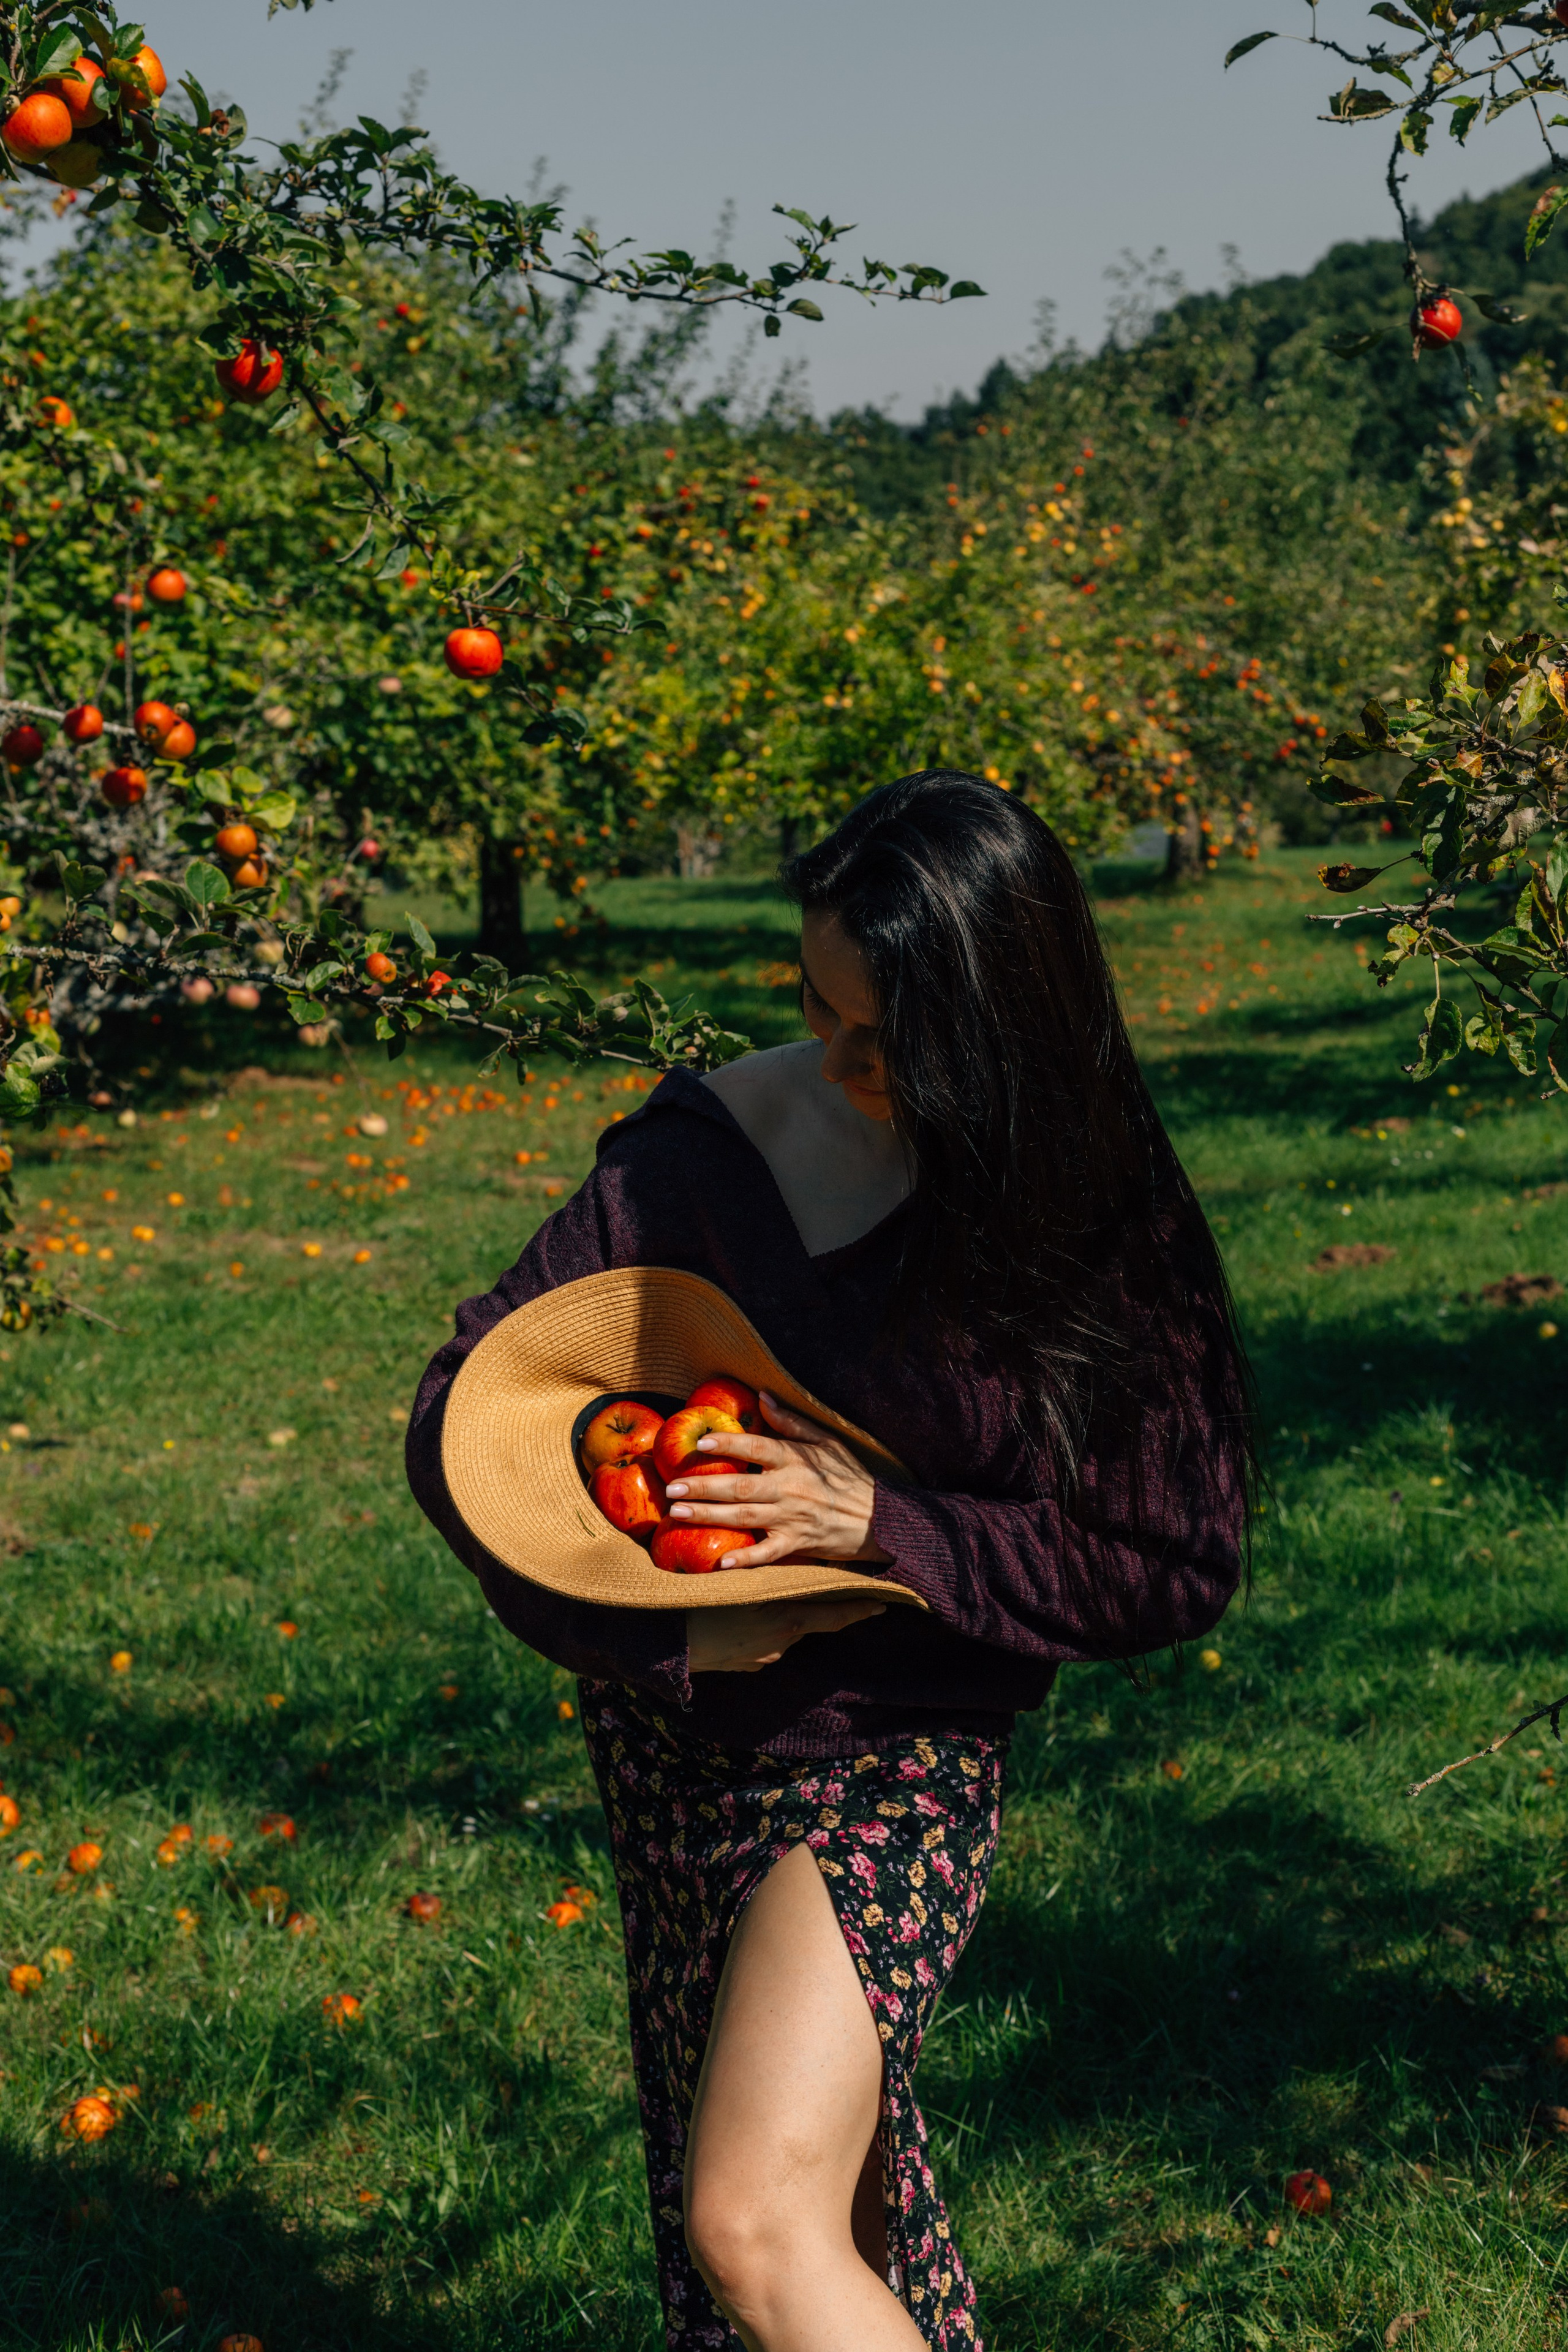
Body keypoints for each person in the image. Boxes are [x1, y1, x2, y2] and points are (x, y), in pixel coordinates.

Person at [407, 770, 1255, 2352]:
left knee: (753, 2217)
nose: (840, 1061)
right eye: (818, 1006)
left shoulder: (1088, 1211)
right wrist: (650, 1581)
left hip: (896, 1755)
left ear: (1001, 1026)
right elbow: (472, 1403)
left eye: (891, 1039)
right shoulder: (706, 1154)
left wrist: (877, 1525)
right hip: (680, 1750)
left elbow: (1170, 1554)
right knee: (821, 2227)